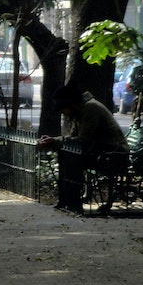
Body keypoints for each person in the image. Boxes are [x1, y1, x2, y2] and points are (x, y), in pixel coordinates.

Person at [38, 81, 128, 213]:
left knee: (72, 160)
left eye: (63, 109)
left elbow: (82, 140)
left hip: (112, 154)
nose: (63, 113)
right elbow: (73, 138)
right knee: (67, 155)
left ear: (71, 104)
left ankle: (73, 201)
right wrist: (55, 141)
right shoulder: (80, 111)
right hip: (100, 151)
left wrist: (56, 141)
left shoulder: (90, 109)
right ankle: (67, 200)